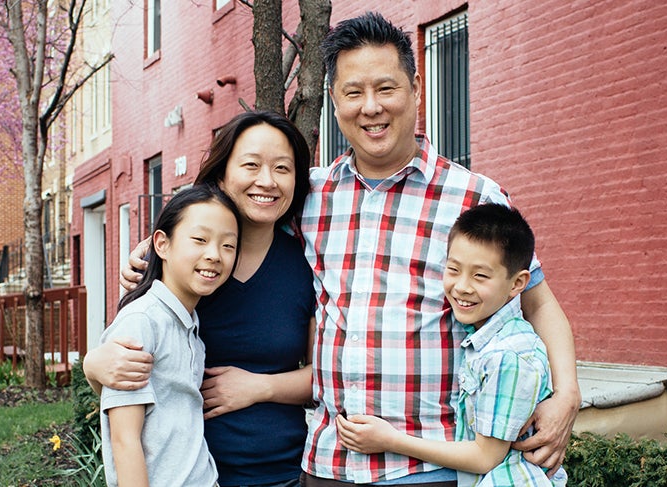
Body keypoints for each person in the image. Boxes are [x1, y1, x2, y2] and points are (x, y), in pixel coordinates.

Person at [298, 12, 580, 485]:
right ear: (334, 99)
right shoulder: (308, 197)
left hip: (436, 465)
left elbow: (539, 301)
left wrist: (567, 393)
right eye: (353, 92)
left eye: (386, 89)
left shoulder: (474, 196)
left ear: (415, 87)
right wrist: (153, 251)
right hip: (330, 462)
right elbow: (220, 230)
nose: (371, 107)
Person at [84, 111, 316, 487]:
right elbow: (131, 361)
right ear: (222, 173)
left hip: (282, 473)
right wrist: (93, 364)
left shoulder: (305, 263)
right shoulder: (185, 262)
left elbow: (325, 376)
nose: (267, 181)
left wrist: (260, 387)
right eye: (251, 165)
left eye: (282, 168)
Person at [335, 204, 568, 486]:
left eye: (480, 276)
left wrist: (389, 440)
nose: (462, 287)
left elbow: (485, 457)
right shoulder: (482, 337)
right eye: (453, 269)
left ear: (518, 283)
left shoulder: (508, 356)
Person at [99, 183, 240, 487]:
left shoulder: (189, 323)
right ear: (162, 244)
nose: (214, 255)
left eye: (228, 245)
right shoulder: (141, 322)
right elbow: (125, 440)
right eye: (200, 240)